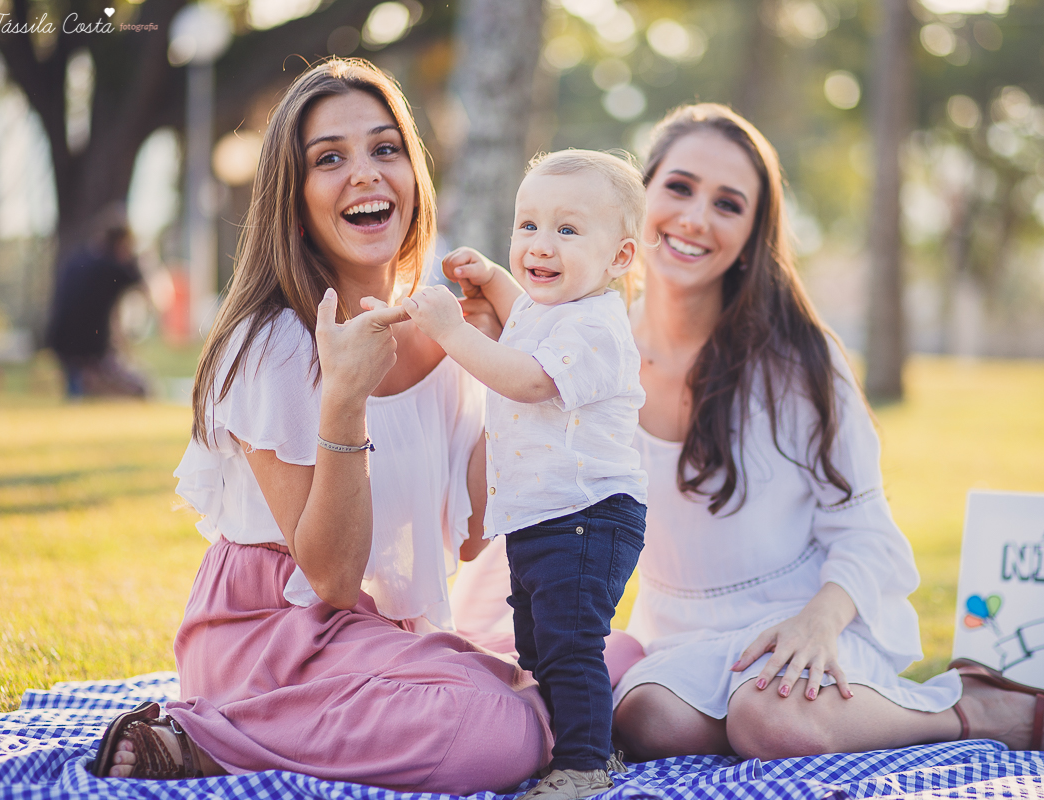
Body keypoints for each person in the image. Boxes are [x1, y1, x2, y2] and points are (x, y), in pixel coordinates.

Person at [452, 103, 1044, 761]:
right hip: (685, 641)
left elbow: (868, 532)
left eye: (728, 203)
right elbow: (537, 497)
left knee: (772, 720)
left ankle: (969, 706)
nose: (693, 217)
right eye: (679, 187)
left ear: (753, 232)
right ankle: (772, 720)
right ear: (636, 206)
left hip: (812, 615)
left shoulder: (799, 359)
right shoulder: (583, 355)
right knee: (647, 720)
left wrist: (820, 620)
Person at [88, 59, 552, 792]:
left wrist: (503, 370)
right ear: (294, 199)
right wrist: (343, 400)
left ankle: (270, 730)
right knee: (498, 728)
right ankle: (214, 732)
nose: (365, 173)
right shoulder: (270, 344)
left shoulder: (444, 329)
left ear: (413, 175)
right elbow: (331, 579)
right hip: (271, 638)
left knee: (603, 666)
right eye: (328, 159)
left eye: (385, 148)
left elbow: (472, 535)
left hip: (381, 642)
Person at [404, 150, 647, 800]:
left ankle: (585, 766)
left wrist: (452, 332)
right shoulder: (553, 307)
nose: (541, 245)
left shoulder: (596, 326)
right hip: (546, 518)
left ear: (620, 258)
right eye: (528, 225)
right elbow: (522, 321)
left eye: (568, 230)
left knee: (569, 643)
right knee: (538, 645)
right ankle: (590, 738)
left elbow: (529, 378)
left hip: (588, 517)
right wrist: (490, 275)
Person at [45, 212, 148, 398]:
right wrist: (142, 257)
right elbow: (154, 293)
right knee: (143, 390)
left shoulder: (78, 259)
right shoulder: (113, 266)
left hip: (61, 346)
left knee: (80, 384)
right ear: (122, 244)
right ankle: (88, 384)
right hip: (92, 353)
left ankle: (81, 387)